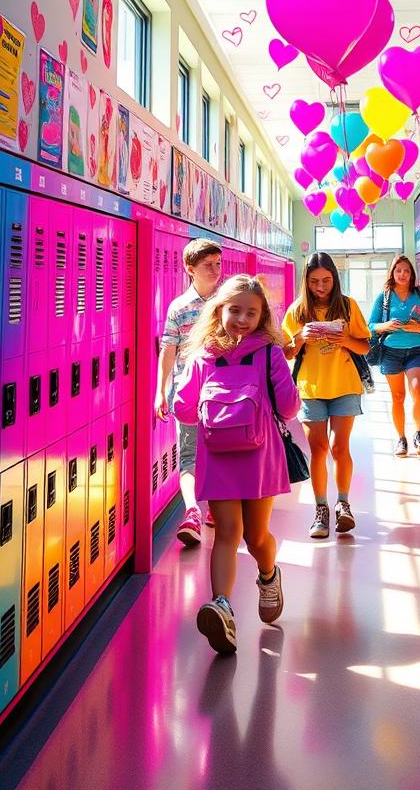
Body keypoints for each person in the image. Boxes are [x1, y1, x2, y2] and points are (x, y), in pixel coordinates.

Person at [173, 275, 299, 654]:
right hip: (221, 457)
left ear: (262, 318)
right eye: (234, 310)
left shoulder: (269, 353)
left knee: (254, 536)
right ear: (219, 311)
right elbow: (184, 409)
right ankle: (222, 607)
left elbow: (290, 407)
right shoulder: (203, 356)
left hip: (258, 456)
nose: (241, 319)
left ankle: (268, 574)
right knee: (227, 531)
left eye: (251, 313)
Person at [282, 253, 370, 540]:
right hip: (311, 388)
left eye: (327, 281)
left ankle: (343, 503)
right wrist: (301, 337)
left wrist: (344, 339)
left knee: (339, 447)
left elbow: (365, 347)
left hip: (344, 384)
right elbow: (285, 353)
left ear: (335, 279)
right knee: (318, 449)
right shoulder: (297, 312)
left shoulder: (347, 306)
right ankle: (321, 508)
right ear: (305, 282)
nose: (321, 287)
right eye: (314, 281)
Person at [155, 238, 222, 547]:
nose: (216, 270)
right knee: (190, 454)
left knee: (221, 451)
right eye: (208, 265)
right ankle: (193, 511)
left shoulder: (227, 304)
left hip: (223, 393)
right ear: (190, 269)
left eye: (218, 264)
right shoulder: (179, 308)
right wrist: (161, 391)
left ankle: (216, 508)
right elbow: (168, 350)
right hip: (188, 394)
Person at [368, 255, 420, 457]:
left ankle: (419, 434)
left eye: (406, 271)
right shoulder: (384, 297)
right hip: (391, 351)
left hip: (416, 349)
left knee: (418, 390)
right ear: (392, 272)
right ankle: (401, 438)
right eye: (398, 270)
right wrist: (386, 326)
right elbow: (371, 325)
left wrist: (419, 327)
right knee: (398, 397)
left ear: (412, 274)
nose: (402, 274)